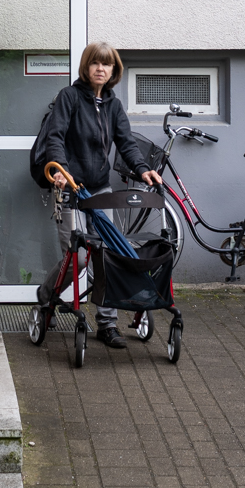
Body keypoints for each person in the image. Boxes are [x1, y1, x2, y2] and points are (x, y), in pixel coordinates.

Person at [35, 41, 163, 349]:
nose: (101, 69)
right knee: (77, 258)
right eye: (96, 63)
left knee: (107, 255)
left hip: (101, 189)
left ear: (114, 70)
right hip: (71, 189)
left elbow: (126, 142)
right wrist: (62, 173)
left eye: (107, 65)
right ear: (86, 66)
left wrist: (143, 169)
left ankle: (106, 324)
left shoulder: (113, 105)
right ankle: (47, 296)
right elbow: (55, 138)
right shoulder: (69, 98)